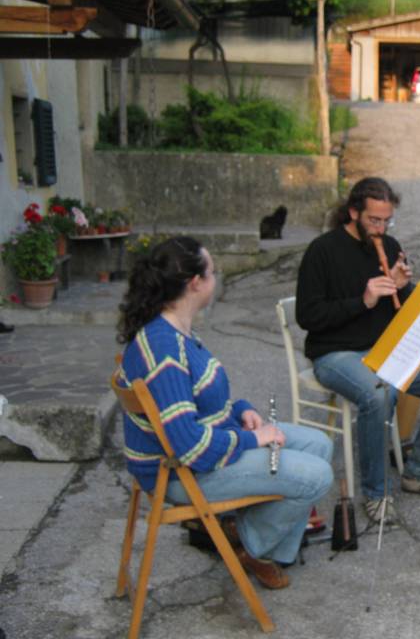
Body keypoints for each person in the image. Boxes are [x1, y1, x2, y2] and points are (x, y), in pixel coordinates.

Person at [116, 236, 333, 590]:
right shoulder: (164, 349)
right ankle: (251, 544)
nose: (216, 277)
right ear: (195, 283)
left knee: (318, 445)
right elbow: (190, 447)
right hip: (182, 474)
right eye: (213, 271)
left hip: (201, 452)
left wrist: (240, 410)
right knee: (316, 475)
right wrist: (252, 438)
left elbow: (197, 402)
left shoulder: (175, 330)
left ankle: (264, 544)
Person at [296, 177, 420, 524]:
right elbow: (308, 316)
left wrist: (404, 289)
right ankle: (376, 494)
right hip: (335, 352)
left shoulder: (390, 246)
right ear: (353, 212)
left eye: (386, 220)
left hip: (385, 348)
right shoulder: (323, 250)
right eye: (373, 220)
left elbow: (399, 310)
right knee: (380, 394)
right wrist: (362, 300)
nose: (380, 229)